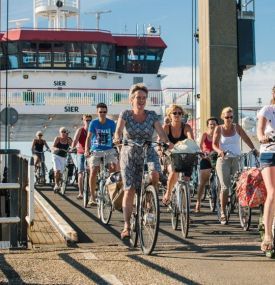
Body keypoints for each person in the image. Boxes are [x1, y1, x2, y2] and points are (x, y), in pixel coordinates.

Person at [114, 83, 169, 239]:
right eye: (138, 97)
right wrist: (117, 138)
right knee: (130, 189)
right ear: (132, 99)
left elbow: (161, 133)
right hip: (129, 152)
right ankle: (126, 226)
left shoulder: (152, 115)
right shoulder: (125, 114)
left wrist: (165, 142)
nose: (141, 100)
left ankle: (149, 206)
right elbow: (118, 131)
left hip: (147, 150)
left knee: (155, 175)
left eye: (144, 98)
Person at [212, 106, 256, 225]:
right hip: (223, 160)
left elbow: (246, 138)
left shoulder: (237, 127)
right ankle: (222, 212)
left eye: (231, 117)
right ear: (222, 117)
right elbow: (214, 145)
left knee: (241, 184)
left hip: (236, 159)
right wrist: (219, 151)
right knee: (225, 187)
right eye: (227, 117)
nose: (229, 119)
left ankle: (240, 206)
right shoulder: (218, 129)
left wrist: (254, 149)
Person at [85, 103, 118, 206]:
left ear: (106, 112)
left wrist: (120, 148)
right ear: (97, 112)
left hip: (109, 150)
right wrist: (86, 150)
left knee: (113, 169)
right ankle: (92, 197)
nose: (102, 114)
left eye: (104, 112)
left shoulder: (111, 123)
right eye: (100, 112)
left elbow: (116, 137)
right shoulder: (93, 123)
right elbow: (89, 138)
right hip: (96, 150)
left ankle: (111, 193)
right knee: (94, 171)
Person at [161, 104, 194, 206]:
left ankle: (185, 210)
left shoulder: (186, 127)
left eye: (180, 113)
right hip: (170, 154)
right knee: (174, 171)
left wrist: (192, 145)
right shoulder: (166, 127)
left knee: (186, 181)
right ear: (169, 115)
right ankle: (168, 193)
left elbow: (191, 139)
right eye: (174, 113)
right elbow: (161, 140)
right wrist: (162, 148)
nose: (177, 115)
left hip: (183, 154)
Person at [257, 85, 275, 253]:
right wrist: (262, 137)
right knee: (273, 192)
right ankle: (268, 235)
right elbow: (259, 130)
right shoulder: (268, 110)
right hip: (269, 153)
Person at [195, 117, 219, 212]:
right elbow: (200, 146)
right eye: (211, 124)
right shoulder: (205, 134)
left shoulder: (219, 135)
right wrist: (202, 153)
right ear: (208, 125)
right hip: (205, 157)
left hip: (216, 157)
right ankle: (198, 202)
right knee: (202, 181)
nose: (212, 125)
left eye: (214, 124)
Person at [72, 114, 92, 199]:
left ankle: (92, 192)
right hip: (81, 152)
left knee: (93, 172)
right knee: (80, 172)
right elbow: (75, 141)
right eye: (86, 120)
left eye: (89, 120)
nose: (88, 122)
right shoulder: (80, 130)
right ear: (83, 121)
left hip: (91, 153)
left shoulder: (94, 130)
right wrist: (72, 148)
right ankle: (80, 192)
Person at [52, 127, 72, 192]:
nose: (63, 133)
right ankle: (56, 185)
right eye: (62, 132)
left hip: (63, 157)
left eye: (64, 132)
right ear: (60, 133)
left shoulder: (68, 140)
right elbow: (53, 146)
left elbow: (72, 146)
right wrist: (56, 148)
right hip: (56, 156)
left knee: (60, 172)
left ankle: (59, 183)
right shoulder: (57, 138)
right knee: (57, 170)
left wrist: (73, 150)